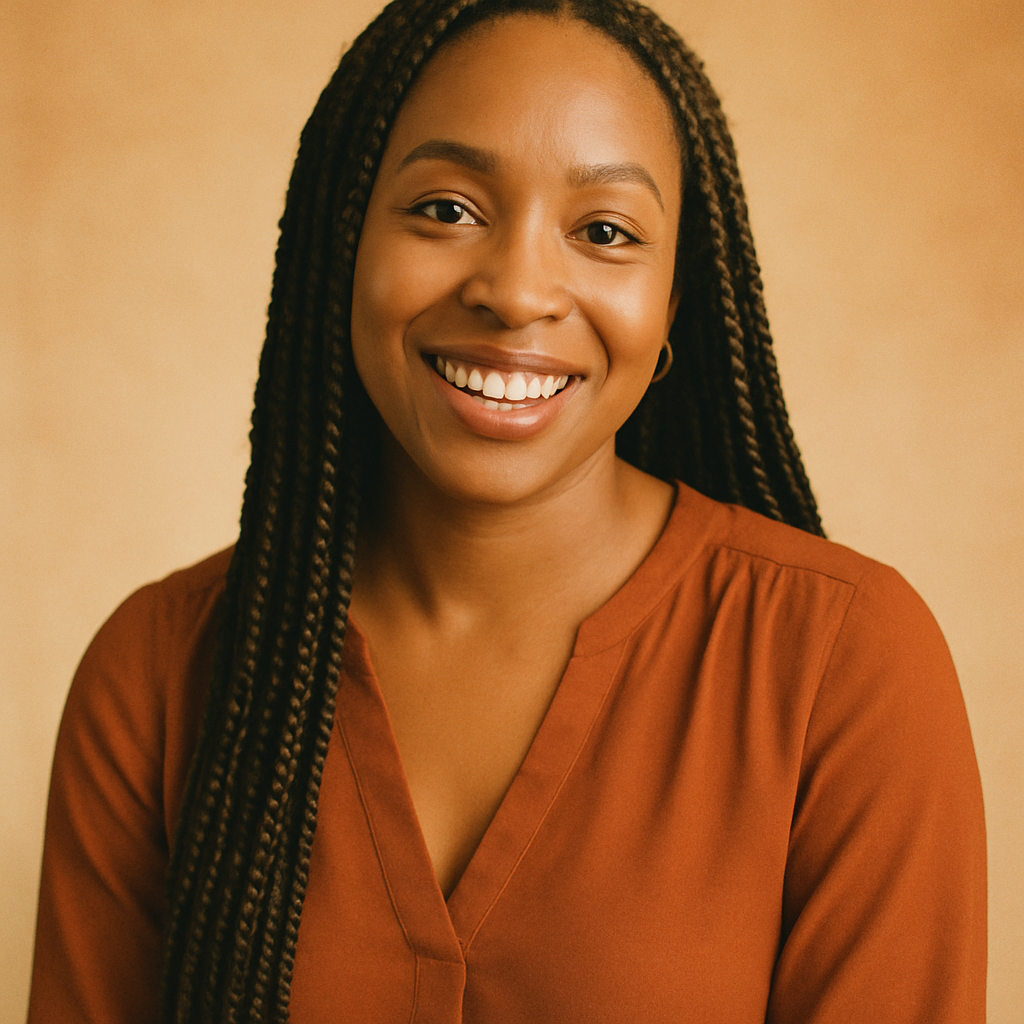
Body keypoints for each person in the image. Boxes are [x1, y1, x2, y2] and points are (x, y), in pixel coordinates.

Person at [27, 0, 986, 1021]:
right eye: (445, 209)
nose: (518, 289)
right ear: (339, 243)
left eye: (605, 231)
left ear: (674, 308)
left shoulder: (842, 664)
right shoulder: (156, 674)